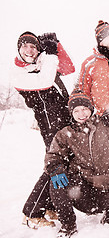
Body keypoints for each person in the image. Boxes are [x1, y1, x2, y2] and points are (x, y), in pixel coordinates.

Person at [45, 90, 109, 237]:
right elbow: (53, 155)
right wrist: (55, 167)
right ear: (71, 113)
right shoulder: (66, 133)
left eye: (85, 109)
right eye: (76, 110)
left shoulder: (108, 124)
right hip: (84, 192)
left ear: (91, 109)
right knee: (57, 182)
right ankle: (68, 225)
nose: (81, 114)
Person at [11, 31, 75, 228]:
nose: (30, 50)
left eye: (34, 47)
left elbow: (68, 67)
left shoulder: (41, 63)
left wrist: (56, 46)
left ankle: (49, 206)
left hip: (63, 117)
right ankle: (31, 212)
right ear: (19, 49)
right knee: (55, 163)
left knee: (66, 160)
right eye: (25, 47)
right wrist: (50, 56)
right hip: (49, 122)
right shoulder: (19, 71)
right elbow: (46, 81)